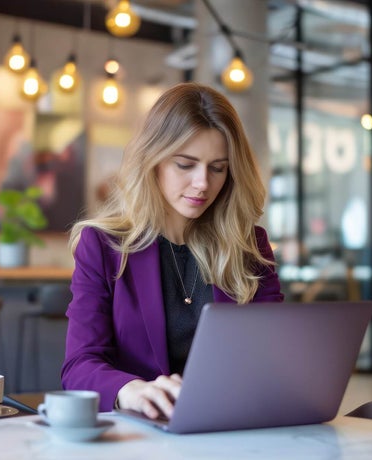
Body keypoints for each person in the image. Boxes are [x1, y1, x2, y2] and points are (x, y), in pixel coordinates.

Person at [61, 82, 284, 419]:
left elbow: (276, 355)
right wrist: (130, 390)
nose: (202, 183)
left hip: (231, 427)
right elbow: (79, 366)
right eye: (185, 164)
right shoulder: (104, 246)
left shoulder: (248, 246)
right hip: (140, 435)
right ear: (154, 160)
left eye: (218, 167)